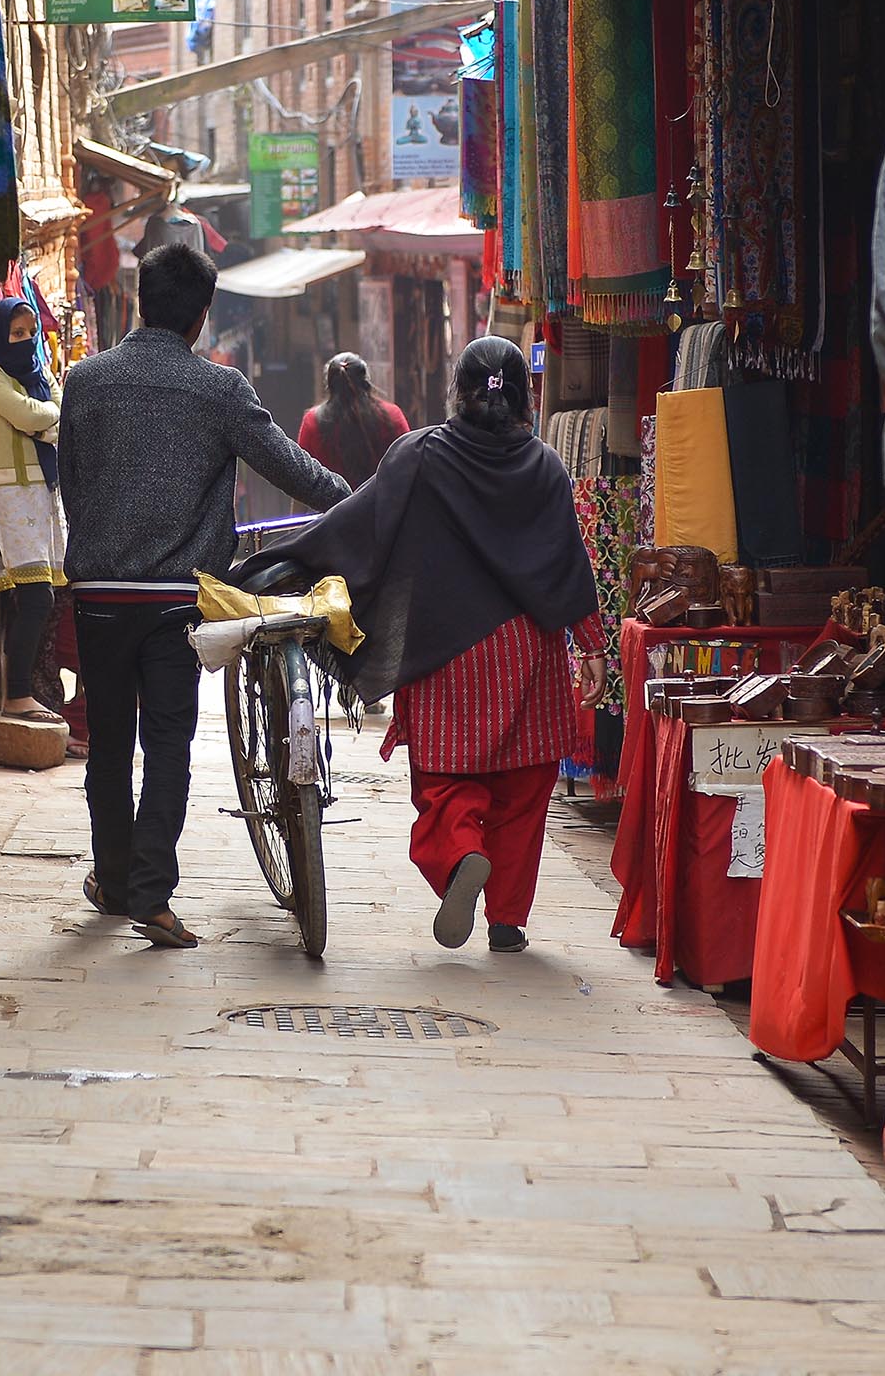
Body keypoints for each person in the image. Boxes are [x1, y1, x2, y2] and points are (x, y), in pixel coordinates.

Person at [250, 336, 603, 953]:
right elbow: (569, 560)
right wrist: (592, 645)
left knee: (447, 781)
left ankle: (462, 854)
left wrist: (285, 564)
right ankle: (507, 922)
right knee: (522, 792)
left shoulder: (422, 454)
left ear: (459, 394)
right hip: (529, 651)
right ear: (526, 397)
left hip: (446, 654)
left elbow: (360, 524)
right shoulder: (546, 465)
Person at [57, 242, 350, 948]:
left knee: (108, 747)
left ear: (136, 298)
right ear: (202, 316)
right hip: (173, 598)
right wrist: (354, 502)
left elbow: (71, 476)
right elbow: (293, 468)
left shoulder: (85, 380)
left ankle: (115, 876)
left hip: (97, 588)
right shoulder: (220, 389)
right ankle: (151, 895)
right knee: (167, 746)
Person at [0, 295, 70, 738]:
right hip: (11, 492)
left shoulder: (30, 371)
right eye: (17, 333)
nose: (27, 341)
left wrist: (44, 418)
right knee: (35, 598)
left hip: (40, 492)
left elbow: (54, 409)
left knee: (39, 596)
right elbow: (30, 414)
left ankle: (20, 690)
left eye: (30, 332)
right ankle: (17, 693)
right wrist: (45, 419)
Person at [297, 352, 411, 488]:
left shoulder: (312, 422)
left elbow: (301, 480)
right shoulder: (392, 416)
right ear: (366, 379)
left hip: (330, 508)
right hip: (383, 506)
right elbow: (408, 466)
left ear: (329, 384)